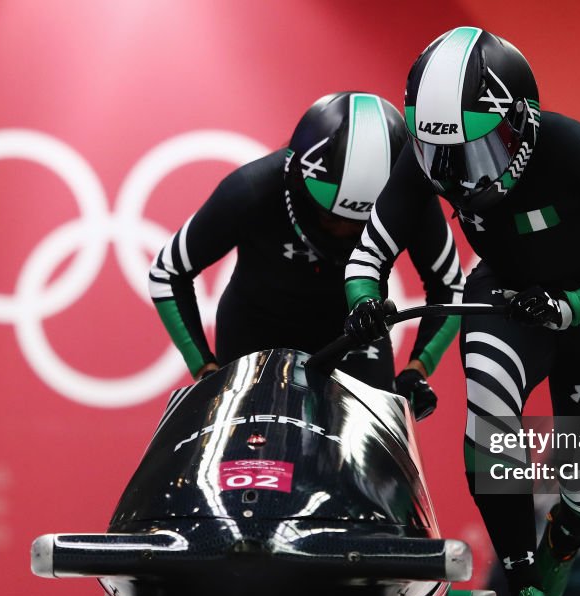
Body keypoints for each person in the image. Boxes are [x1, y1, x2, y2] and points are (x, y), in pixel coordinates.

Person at [343, 27, 580, 596]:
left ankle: (570, 527)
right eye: (441, 155)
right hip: (509, 298)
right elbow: (367, 258)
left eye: (480, 151)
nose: (461, 176)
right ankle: (526, 584)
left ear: (521, 122)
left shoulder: (576, 149)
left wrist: (574, 306)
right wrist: (364, 304)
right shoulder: (430, 164)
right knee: (489, 402)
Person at [149, 92, 465, 417]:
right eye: (331, 217)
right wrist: (206, 372)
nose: (343, 233)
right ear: (297, 182)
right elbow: (168, 272)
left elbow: (450, 286)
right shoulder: (251, 190)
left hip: (354, 334)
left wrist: (416, 371)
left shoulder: (409, 198)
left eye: (363, 225)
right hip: (256, 329)